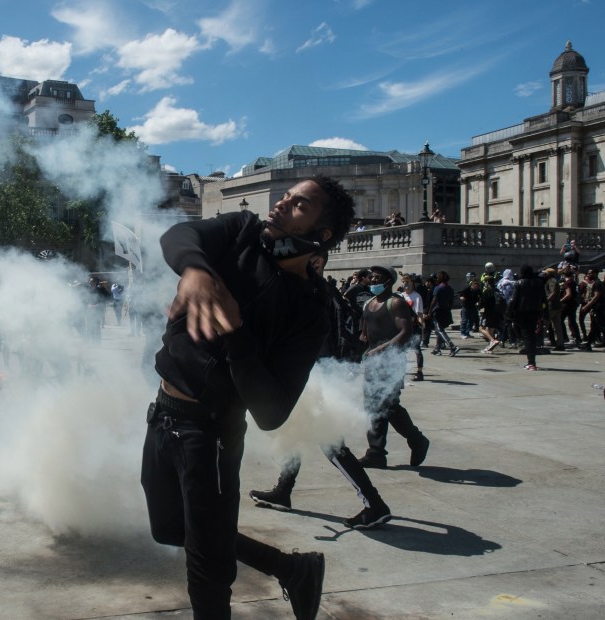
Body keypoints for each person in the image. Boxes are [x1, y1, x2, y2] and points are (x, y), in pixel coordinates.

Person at [141, 175, 355, 619]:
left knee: (208, 570)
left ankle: (290, 572)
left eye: (300, 205)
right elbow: (179, 234)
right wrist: (195, 269)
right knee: (168, 529)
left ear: (322, 233)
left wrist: (237, 335)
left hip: (211, 434)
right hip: (162, 414)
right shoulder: (241, 231)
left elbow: (271, 412)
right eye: (286, 195)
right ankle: (291, 569)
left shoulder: (309, 312)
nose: (281, 204)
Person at [249, 249, 392, 530]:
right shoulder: (313, 289)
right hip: (306, 373)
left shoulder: (316, 291)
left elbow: (322, 335)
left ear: (316, 261)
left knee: (331, 444)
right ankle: (284, 489)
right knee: (294, 433)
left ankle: (374, 504)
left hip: (312, 374)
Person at [358, 265, 430, 470]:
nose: (372, 281)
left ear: (388, 281)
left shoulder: (396, 302)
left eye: (377, 278)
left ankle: (417, 440)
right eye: (371, 278)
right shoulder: (369, 303)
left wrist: (381, 349)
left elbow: (405, 332)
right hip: (373, 363)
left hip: (391, 362)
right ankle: (376, 453)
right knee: (373, 406)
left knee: (388, 406)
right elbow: (364, 335)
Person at [509, 265, 546, 370]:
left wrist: (509, 312)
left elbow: (513, 299)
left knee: (527, 336)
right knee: (531, 335)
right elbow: (544, 299)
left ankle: (531, 362)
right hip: (535, 312)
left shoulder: (519, 283)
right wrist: (544, 312)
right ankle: (531, 360)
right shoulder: (539, 282)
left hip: (522, 312)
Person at [427, 271, 459, 357]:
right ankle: (437, 349)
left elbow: (434, 301)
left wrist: (429, 311)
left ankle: (452, 346)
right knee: (440, 330)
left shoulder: (438, 288)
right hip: (446, 311)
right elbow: (451, 302)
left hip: (438, 311)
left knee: (439, 330)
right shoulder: (450, 288)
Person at [400, 273, 425, 380]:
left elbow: (419, 313)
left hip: (413, 326)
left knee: (416, 349)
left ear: (412, 283)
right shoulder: (400, 296)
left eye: (407, 282)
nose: (405, 284)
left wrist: (421, 325)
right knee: (401, 350)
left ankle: (419, 372)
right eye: (404, 282)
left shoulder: (416, 296)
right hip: (401, 326)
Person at [578, 269, 604, 352]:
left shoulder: (597, 284)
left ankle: (588, 344)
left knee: (602, 326)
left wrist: (587, 306)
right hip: (597, 308)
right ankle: (588, 344)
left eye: (590, 273)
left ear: (595, 274)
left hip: (598, 308)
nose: (588, 274)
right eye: (588, 273)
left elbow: (596, 296)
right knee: (594, 327)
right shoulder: (598, 283)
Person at [479, 275, 504, 353]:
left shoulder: (487, 291)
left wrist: (478, 306)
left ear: (487, 282)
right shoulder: (497, 290)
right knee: (491, 330)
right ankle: (490, 348)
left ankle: (493, 341)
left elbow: (481, 303)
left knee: (481, 328)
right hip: (497, 312)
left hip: (488, 313)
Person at [544, 267, 564, 352]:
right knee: (558, 326)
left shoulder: (551, 281)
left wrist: (547, 300)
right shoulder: (554, 280)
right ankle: (560, 344)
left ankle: (538, 342)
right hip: (557, 306)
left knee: (545, 324)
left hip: (551, 306)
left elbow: (553, 293)